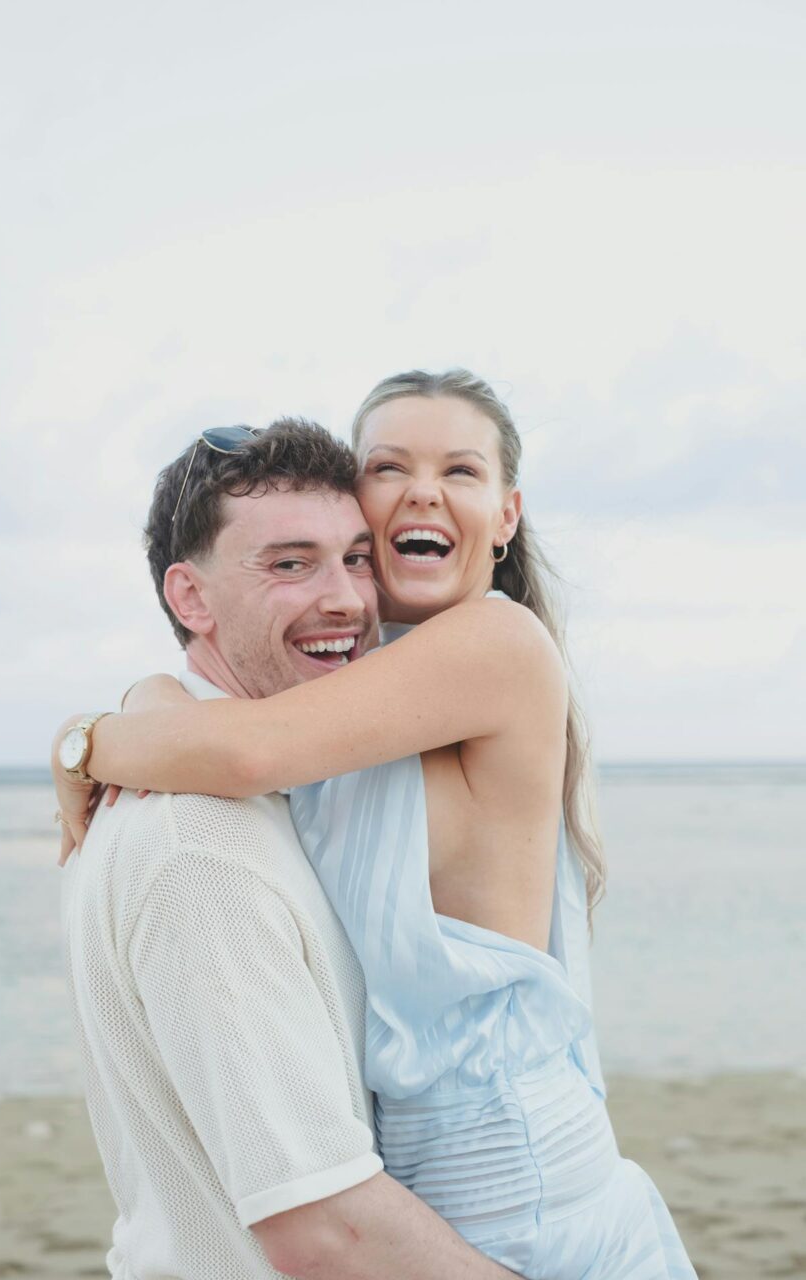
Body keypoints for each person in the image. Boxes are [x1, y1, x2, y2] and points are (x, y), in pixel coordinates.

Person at [55, 371, 697, 1278]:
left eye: (460, 470)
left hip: (513, 1174)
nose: (423, 490)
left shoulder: (495, 645)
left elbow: (242, 752)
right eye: (390, 466)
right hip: (414, 1176)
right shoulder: (353, 687)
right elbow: (232, 728)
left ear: (506, 516)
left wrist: (87, 741)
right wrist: (141, 701)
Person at [54, 417, 522, 1280]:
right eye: (289, 564)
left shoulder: (276, 794)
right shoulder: (201, 845)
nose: (346, 599)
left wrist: (98, 728)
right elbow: (324, 1231)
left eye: (354, 557)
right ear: (189, 599)